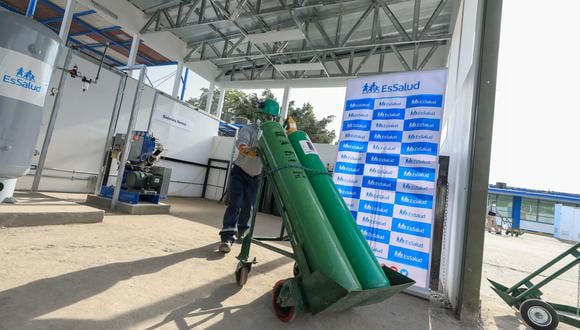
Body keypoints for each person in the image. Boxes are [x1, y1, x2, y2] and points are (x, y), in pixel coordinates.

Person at [218, 99, 280, 253]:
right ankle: (227, 237)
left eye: (271, 117)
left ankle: (242, 231)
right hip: (240, 172)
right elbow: (241, 144)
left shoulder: (271, 134)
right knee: (235, 204)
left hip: (256, 176)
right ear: (258, 114)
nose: (267, 119)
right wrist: (248, 150)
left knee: (249, 207)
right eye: (265, 115)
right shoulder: (249, 129)